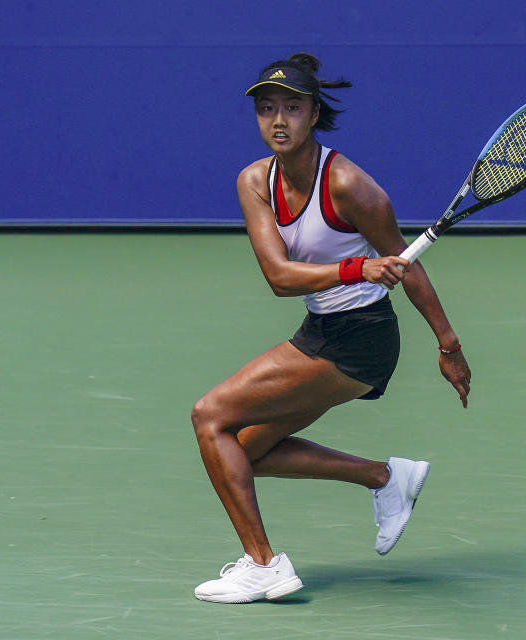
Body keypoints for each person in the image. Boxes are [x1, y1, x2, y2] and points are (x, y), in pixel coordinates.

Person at [190, 52, 471, 604]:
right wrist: (354, 266)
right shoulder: (254, 181)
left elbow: (406, 268)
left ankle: (263, 564)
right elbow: (278, 276)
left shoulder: (348, 185)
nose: (278, 120)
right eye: (266, 109)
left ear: (313, 114)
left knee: (210, 416)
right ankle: (386, 478)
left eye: (291, 108)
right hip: (320, 329)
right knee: (242, 452)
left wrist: (448, 342)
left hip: (362, 336)